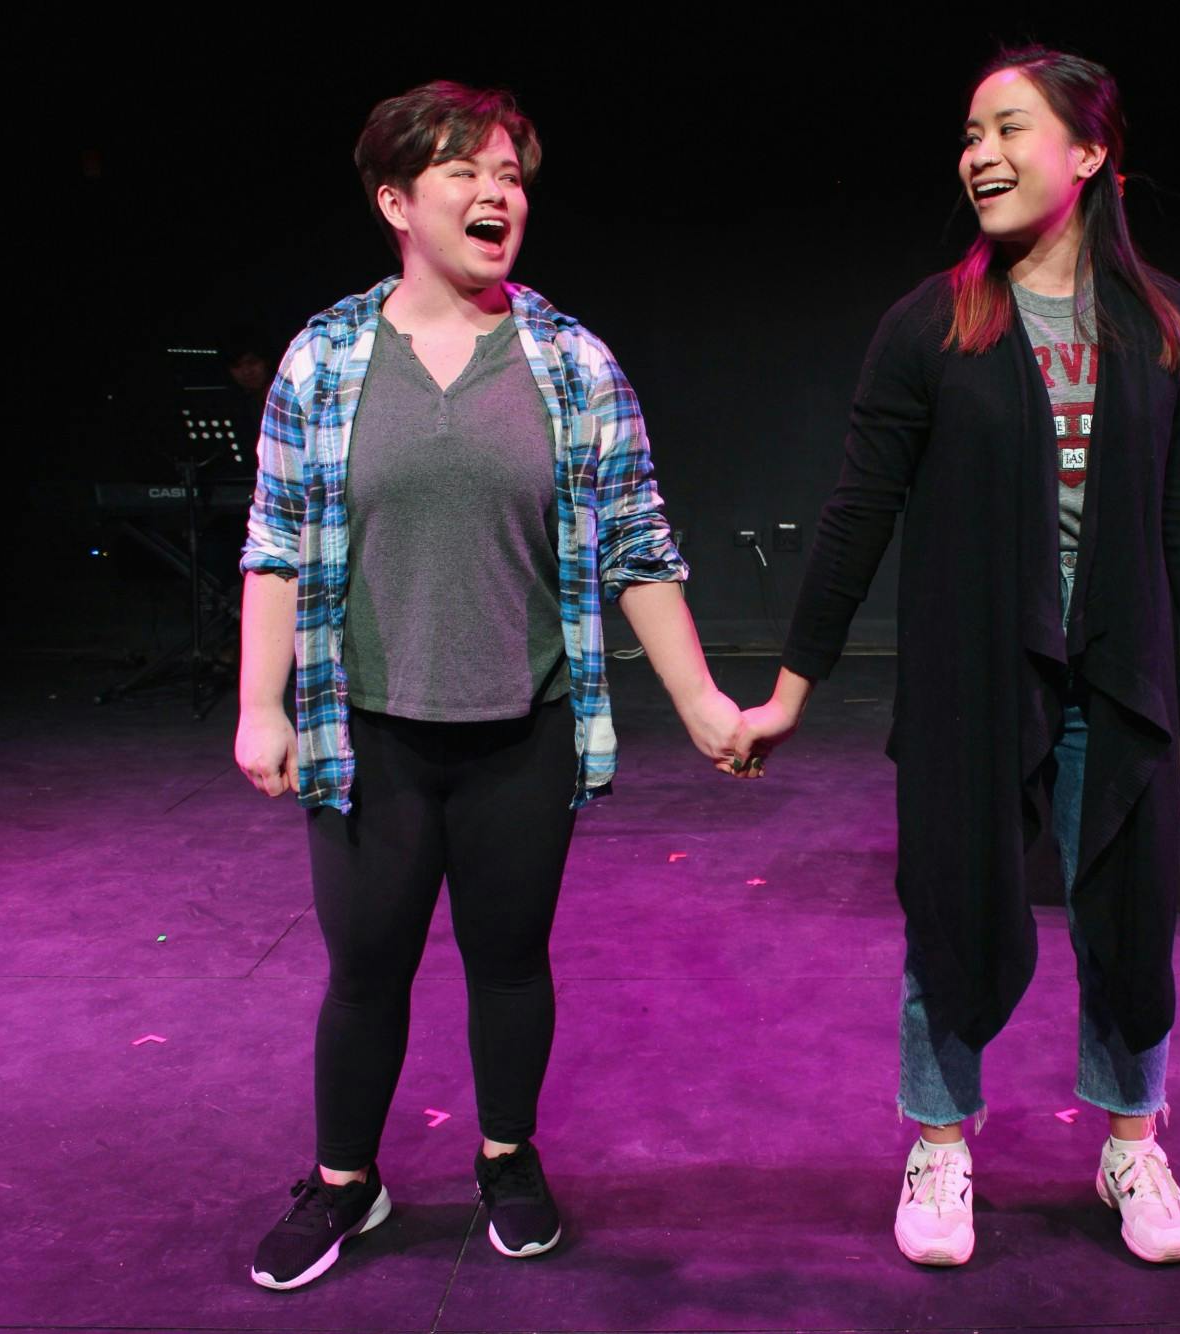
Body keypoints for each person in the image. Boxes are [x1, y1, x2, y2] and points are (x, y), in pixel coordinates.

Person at [234, 80, 744, 1290]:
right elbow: (273, 538)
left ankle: (506, 1156)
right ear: (396, 200)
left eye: (510, 171)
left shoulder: (570, 361)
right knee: (365, 966)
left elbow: (638, 547)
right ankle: (346, 1182)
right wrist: (261, 703)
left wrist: (704, 703)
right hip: (367, 732)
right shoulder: (326, 356)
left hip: (526, 726)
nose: (497, 192)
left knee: (510, 958)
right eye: (465, 169)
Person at [736, 46, 1180, 1266]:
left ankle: (1131, 1140)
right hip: (972, 681)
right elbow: (858, 511)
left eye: (1008, 127)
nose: (978, 155)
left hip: (1119, 680)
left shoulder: (1167, 327)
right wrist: (788, 688)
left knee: (1131, 915)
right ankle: (941, 1143)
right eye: (968, 135)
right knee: (948, 910)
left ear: (1088, 150)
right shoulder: (931, 324)